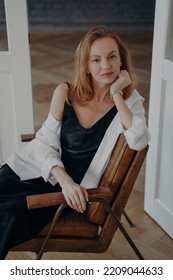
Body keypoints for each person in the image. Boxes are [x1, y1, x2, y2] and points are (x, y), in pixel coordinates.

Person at [0, 26, 150, 259]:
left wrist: (117, 94)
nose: (106, 66)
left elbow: (140, 140)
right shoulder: (66, 93)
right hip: (37, 170)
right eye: (96, 60)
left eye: (112, 57)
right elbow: (44, 143)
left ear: (121, 60)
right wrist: (65, 179)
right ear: (86, 66)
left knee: (10, 214)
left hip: (61, 192)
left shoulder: (130, 103)